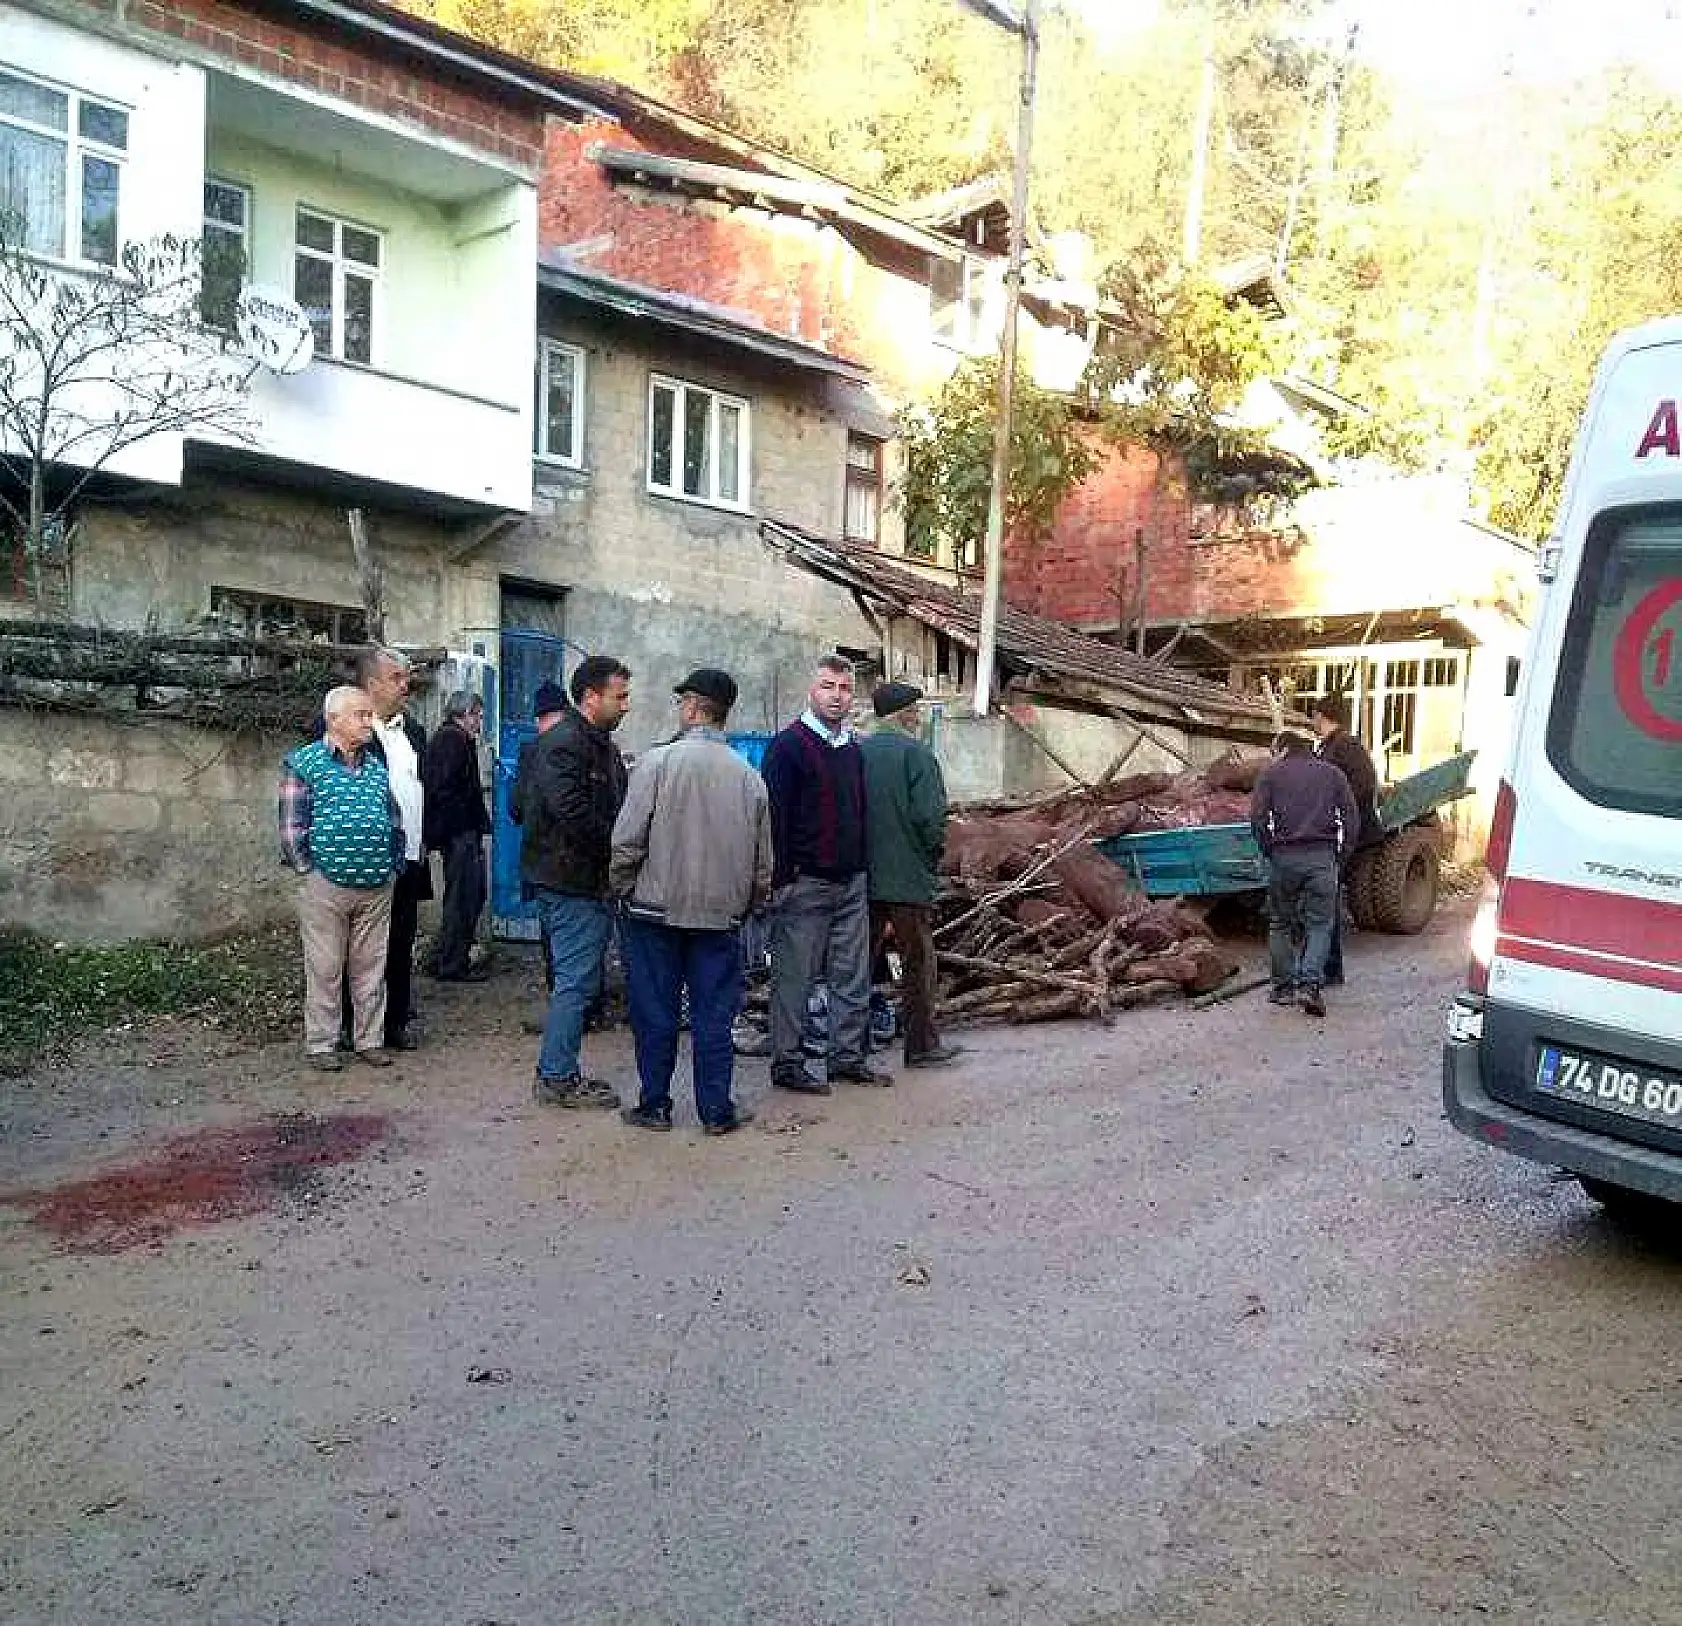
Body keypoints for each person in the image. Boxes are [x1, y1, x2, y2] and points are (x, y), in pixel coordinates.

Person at [611, 667, 771, 1136]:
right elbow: (764, 865)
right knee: (714, 1017)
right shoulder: (749, 778)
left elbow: (626, 842)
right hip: (719, 918)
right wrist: (747, 905)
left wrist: (621, 888)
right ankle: (716, 1111)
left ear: (692, 708)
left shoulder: (655, 765)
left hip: (652, 912)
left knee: (655, 1012)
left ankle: (655, 1105)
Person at [760, 653, 891, 1094]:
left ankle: (847, 1057)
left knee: (852, 976)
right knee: (795, 978)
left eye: (845, 688)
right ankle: (788, 1063)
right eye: (828, 687)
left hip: (851, 881)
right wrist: (783, 878)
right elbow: (774, 819)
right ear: (810, 691)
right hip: (805, 883)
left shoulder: (852, 749)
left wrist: (863, 869)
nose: (837, 696)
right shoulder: (787, 747)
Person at [520, 655, 631, 1108]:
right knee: (576, 982)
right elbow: (573, 816)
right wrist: (618, 852)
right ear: (590, 697)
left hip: (581, 880)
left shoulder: (595, 743)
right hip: (571, 882)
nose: (626, 705)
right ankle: (556, 1077)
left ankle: (560, 1070)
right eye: (619, 696)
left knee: (578, 980)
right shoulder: (566, 744)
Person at [279, 685, 406, 1070]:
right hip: (326, 885)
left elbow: (393, 818)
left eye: (370, 715)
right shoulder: (305, 763)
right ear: (333, 719)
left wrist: (393, 864)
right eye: (360, 715)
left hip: (375, 886)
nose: (369, 723)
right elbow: (291, 826)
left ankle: (369, 1040)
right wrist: (308, 871)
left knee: (371, 969)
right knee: (326, 966)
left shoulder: (376, 768)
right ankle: (322, 1044)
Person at [860, 681, 960, 1069]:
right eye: (915, 711)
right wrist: (929, 859)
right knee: (917, 962)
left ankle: (851, 1049)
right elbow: (931, 819)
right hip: (906, 879)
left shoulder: (856, 753)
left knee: (858, 964)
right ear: (902, 714)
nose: (918, 717)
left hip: (861, 879)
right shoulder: (916, 755)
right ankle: (920, 1044)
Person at [1251, 729, 1360, 1018]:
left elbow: (1258, 818)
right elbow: (1352, 817)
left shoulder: (1271, 775)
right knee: (1320, 925)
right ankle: (1310, 985)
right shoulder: (1332, 774)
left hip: (1284, 858)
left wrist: (1269, 850)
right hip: (1322, 858)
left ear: (1284, 749)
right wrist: (1341, 855)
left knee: (1280, 923)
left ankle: (1283, 987)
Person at [354, 645, 431, 1051]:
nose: (406, 686)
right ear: (371, 685)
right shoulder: (353, 733)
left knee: (402, 942)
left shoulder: (413, 732)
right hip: (370, 859)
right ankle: (358, 1027)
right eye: (396, 679)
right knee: (366, 948)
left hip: (410, 857)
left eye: (406, 678)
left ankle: (395, 1023)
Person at [1312, 693, 1384, 987]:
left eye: (1314, 715)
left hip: (1346, 834)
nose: (1312, 721)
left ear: (1321, 715)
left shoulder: (1348, 747)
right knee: (1324, 899)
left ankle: (1329, 968)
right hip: (1331, 831)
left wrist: (1338, 812)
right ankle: (1324, 966)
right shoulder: (1329, 747)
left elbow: (1365, 786)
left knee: (1326, 899)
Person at [512, 680, 570, 1027]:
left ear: (538, 718)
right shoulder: (589, 745)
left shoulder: (532, 751)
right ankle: (581, 1006)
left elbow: (515, 807)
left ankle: (560, 1002)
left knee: (553, 936)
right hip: (581, 863)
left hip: (541, 860)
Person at [422, 689, 491, 983]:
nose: (479, 721)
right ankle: (452, 962)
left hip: (460, 830)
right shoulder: (452, 740)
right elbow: (443, 788)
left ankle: (446, 957)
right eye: (477, 714)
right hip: (459, 832)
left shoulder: (456, 739)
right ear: (464, 714)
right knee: (463, 897)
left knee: (467, 895)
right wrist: (463, 824)